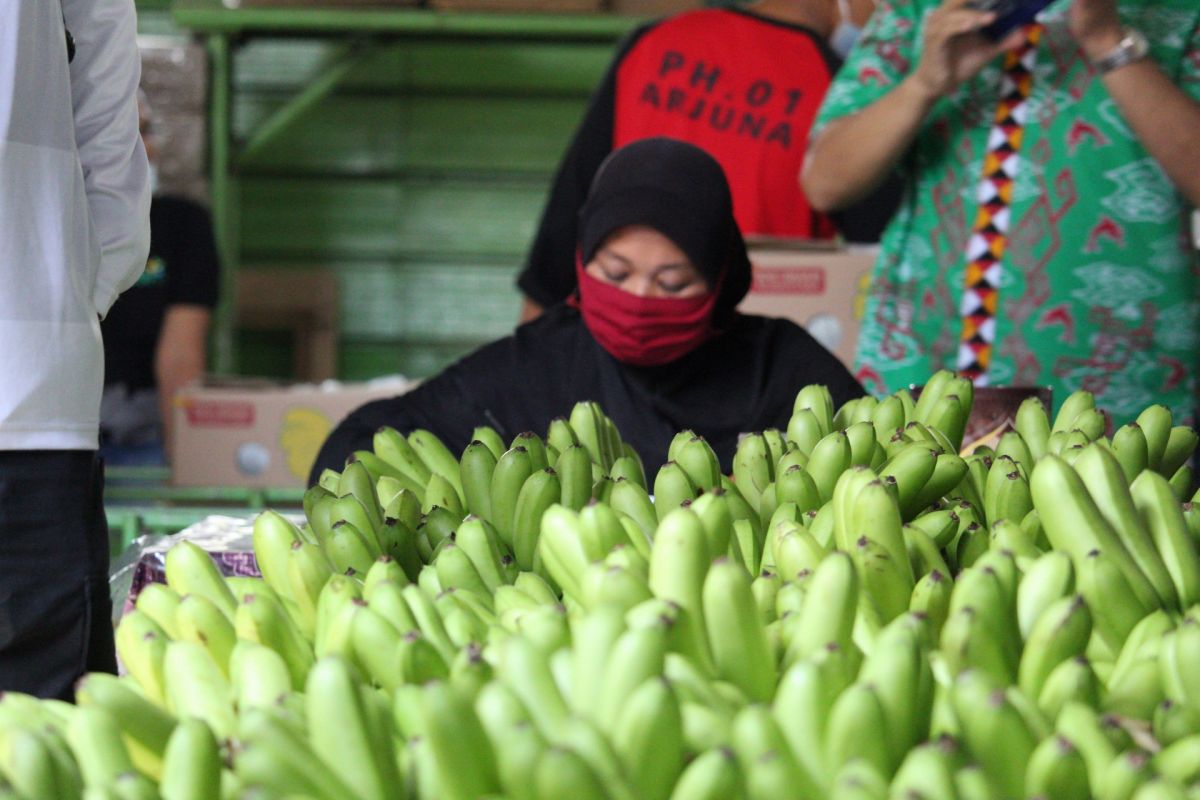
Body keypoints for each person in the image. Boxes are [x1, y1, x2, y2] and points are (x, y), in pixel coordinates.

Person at [312, 138, 863, 480]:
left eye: (672, 282)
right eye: (616, 274)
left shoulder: (783, 369)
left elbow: (875, 454)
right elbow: (360, 444)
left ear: (720, 279)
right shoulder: (532, 368)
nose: (641, 299)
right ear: (580, 262)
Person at [801, 0, 1200, 424]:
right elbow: (825, 184)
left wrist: (1107, 41)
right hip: (919, 376)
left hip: (1117, 396)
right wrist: (923, 85)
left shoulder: (1183, 12)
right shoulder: (919, 10)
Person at [515, 0, 900, 323]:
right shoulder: (840, 89)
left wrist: (529, 368)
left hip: (621, 324)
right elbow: (880, 256)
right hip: (750, 355)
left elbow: (567, 219)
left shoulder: (654, 43)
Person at [1, 0, 151, 698]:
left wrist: (93, 271)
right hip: (33, 349)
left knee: (42, 739)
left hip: (22, 382)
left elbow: (101, 27)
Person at [100, 98, 220, 466]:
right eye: (124, 133)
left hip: (144, 433)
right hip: (44, 428)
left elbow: (180, 354)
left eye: (145, 131)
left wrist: (179, 458)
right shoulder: (41, 220)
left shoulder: (182, 224)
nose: (141, 145)